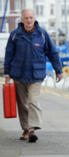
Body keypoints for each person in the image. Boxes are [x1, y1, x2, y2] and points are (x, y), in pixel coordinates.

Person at [4, 9, 63, 143]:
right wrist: (7, 73)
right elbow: (9, 55)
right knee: (22, 104)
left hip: (36, 75)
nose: (29, 20)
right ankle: (25, 129)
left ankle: (32, 129)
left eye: (31, 18)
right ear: (22, 20)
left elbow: (53, 53)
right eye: (26, 18)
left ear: (34, 19)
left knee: (32, 101)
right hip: (18, 75)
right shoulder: (15, 35)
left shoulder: (42, 34)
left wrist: (58, 70)